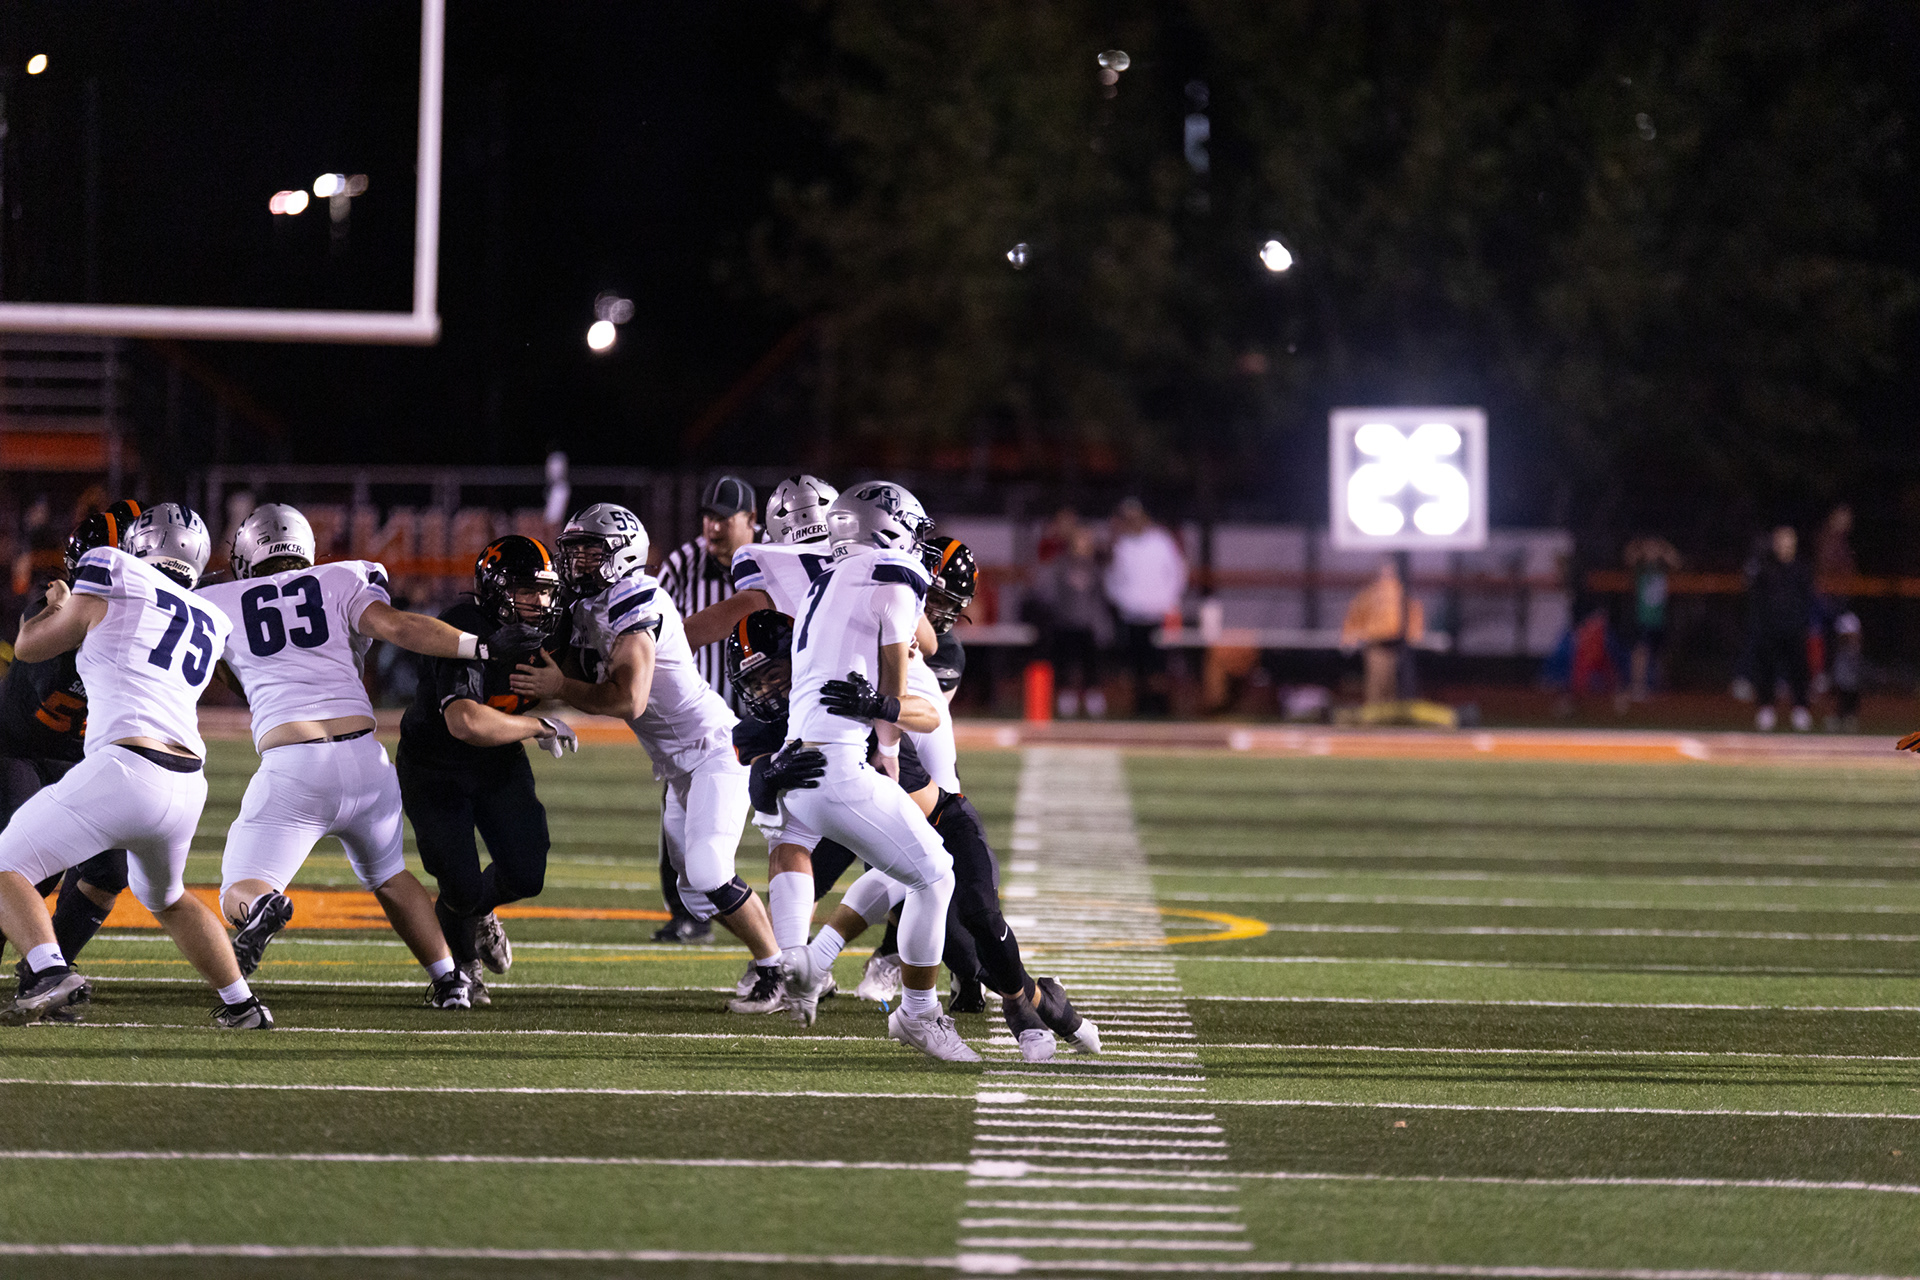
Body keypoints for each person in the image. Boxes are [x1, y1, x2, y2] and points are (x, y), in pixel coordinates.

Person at [197, 503, 525, 1008]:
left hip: (295, 765)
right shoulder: (342, 578)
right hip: (367, 762)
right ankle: (450, 981)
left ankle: (261, 907)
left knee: (240, 887)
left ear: (243, 556)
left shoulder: (213, 601)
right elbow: (399, 627)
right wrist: (482, 648)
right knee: (390, 875)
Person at [0, 502, 274, 1029]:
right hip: (186, 782)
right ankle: (243, 1005)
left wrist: (57, 605)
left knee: (7, 865)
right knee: (168, 899)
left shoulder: (115, 571)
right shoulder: (210, 617)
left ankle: (49, 973)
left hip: (126, 766)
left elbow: (30, 648)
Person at [519, 503, 785, 1014]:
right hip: (680, 764)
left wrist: (558, 686)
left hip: (714, 751)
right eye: (573, 552)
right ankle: (782, 955)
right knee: (694, 891)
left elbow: (628, 700)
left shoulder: (636, 598)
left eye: (590, 552)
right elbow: (574, 667)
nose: (577, 563)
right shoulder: (589, 604)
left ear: (622, 554)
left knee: (709, 871)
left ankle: (777, 972)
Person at [772, 482, 975, 1061]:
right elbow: (894, 694)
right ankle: (918, 1014)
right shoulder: (895, 573)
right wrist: (886, 749)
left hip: (796, 764)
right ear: (889, 527)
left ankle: (806, 964)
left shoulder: (823, 581)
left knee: (899, 864)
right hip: (838, 768)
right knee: (935, 875)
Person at [396, 536, 580, 1005]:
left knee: (526, 873)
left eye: (545, 591)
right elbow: (466, 722)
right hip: (435, 766)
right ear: (496, 589)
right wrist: (538, 725)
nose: (539, 602)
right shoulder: (464, 627)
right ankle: (462, 963)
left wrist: (563, 684)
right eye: (526, 590)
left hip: (497, 759)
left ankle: (477, 913)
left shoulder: (554, 630)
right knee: (458, 883)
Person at [0, 501, 143, 1012]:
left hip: (81, 761)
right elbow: (30, 641)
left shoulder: (147, 620)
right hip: (17, 750)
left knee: (109, 871)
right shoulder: (59, 598)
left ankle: (43, 971)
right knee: (24, 868)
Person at [649, 475, 759, 943]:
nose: (713, 527)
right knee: (679, 824)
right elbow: (648, 625)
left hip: (766, 715)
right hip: (704, 724)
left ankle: (792, 921)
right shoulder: (683, 564)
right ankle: (689, 913)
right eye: (708, 517)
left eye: (724, 518)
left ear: (751, 520)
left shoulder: (773, 560)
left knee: (797, 815)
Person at [1103, 498, 1186, 716]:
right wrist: (1123, 601)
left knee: (1158, 665)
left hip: (1158, 614)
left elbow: (1177, 572)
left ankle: (1160, 706)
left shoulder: (1161, 542)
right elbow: (1112, 577)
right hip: (1131, 615)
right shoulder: (1121, 545)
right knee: (1136, 664)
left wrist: (1167, 600)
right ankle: (1141, 707)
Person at [1746, 525, 1815, 732]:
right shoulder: (1765, 569)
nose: (1785, 546)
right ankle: (1766, 708)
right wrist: (1760, 623)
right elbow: (1756, 598)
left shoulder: (1801, 569)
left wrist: (1803, 623)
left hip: (1794, 628)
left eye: (1788, 541)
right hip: (1769, 628)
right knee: (1766, 669)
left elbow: (1807, 598)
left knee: (1799, 670)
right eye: (1781, 542)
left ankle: (1800, 709)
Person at [1037, 523, 1109, 718]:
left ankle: (1093, 699)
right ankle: (1066, 698)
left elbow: (1100, 598)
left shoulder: (1095, 568)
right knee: (1066, 663)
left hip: (1088, 625)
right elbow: (1049, 592)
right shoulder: (1061, 565)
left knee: (1091, 664)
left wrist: (1101, 625)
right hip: (1066, 623)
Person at [1340, 558, 1425, 707]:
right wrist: (1349, 637)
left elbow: (1414, 616)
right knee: (1377, 688)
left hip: (1399, 647)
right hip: (1377, 647)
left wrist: (1414, 635)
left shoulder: (1402, 594)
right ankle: (1376, 717)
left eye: (1391, 571)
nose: (1387, 575)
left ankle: (1392, 717)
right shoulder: (1369, 595)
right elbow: (1354, 618)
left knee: (1396, 689)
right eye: (1385, 571)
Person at [1624, 536, 1681, 702]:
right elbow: (1629, 556)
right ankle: (1637, 686)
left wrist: (1664, 547)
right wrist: (1639, 546)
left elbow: (1676, 562)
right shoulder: (1640, 568)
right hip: (1642, 617)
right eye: (1649, 548)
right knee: (1640, 651)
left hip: (1659, 617)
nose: (1652, 551)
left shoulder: (1662, 568)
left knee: (1659, 653)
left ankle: (1657, 685)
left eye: (1655, 548)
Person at [1829, 611, 1862, 732]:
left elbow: (1856, 638)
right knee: (1841, 689)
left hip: (1851, 661)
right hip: (1843, 659)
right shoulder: (1840, 620)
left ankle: (1850, 717)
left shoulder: (1852, 618)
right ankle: (1840, 716)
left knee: (1852, 689)